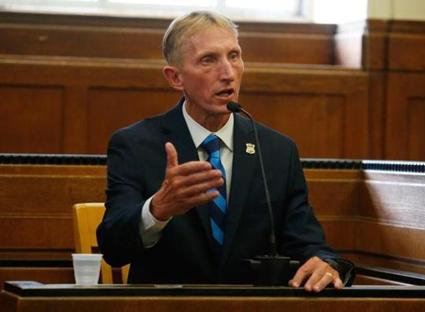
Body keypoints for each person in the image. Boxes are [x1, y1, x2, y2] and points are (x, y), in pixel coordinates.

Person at [97, 10, 354, 292]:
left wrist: (324, 263)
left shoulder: (277, 151)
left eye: (234, 56)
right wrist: (158, 209)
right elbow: (113, 248)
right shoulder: (136, 144)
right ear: (175, 78)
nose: (228, 73)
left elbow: (309, 244)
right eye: (208, 60)